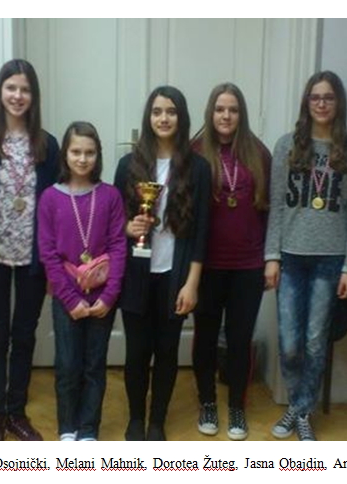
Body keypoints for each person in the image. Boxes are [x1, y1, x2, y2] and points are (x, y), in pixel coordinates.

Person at [264, 71, 347, 441]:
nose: (321, 104)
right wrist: (271, 256)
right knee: (291, 343)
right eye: (315, 97)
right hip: (291, 257)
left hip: (331, 260)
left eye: (328, 97)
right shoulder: (287, 146)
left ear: (338, 103)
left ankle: (301, 411)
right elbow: (277, 206)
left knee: (314, 341)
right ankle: (299, 404)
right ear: (306, 103)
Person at [0, 59, 59, 441]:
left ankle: (16, 413)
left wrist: (53, 264)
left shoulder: (47, 145)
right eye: (11, 88)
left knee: (25, 335)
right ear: (0, 92)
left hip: (34, 258)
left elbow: (54, 210)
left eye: (25, 89)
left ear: (34, 96)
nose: (18, 96)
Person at [114, 86, 211, 441]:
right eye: (157, 112)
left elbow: (201, 233)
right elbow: (113, 222)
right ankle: (135, 419)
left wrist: (192, 283)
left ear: (181, 118)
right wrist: (128, 227)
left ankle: (157, 420)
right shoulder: (128, 165)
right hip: (136, 274)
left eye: (171, 111)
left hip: (176, 275)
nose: (164, 118)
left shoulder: (198, 168)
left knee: (167, 352)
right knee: (137, 352)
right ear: (148, 117)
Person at [191, 83, 271, 440]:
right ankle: (207, 401)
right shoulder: (195, 151)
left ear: (242, 114)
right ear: (211, 112)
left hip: (248, 265)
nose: (226, 116)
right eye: (220, 109)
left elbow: (269, 210)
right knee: (205, 336)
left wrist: (271, 259)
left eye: (233, 110)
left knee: (240, 339)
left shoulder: (259, 153)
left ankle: (237, 405)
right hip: (206, 265)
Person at [38, 121, 126, 441]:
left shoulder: (110, 196)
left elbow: (118, 246)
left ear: (98, 155)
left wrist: (109, 296)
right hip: (67, 297)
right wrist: (70, 299)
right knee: (67, 364)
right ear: (65, 154)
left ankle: (89, 429)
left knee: (94, 365)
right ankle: (67, 428)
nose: (83, 159)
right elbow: (48, 253)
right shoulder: (50, 198)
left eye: (89, 152)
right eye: (76, 151)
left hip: (102, 297)